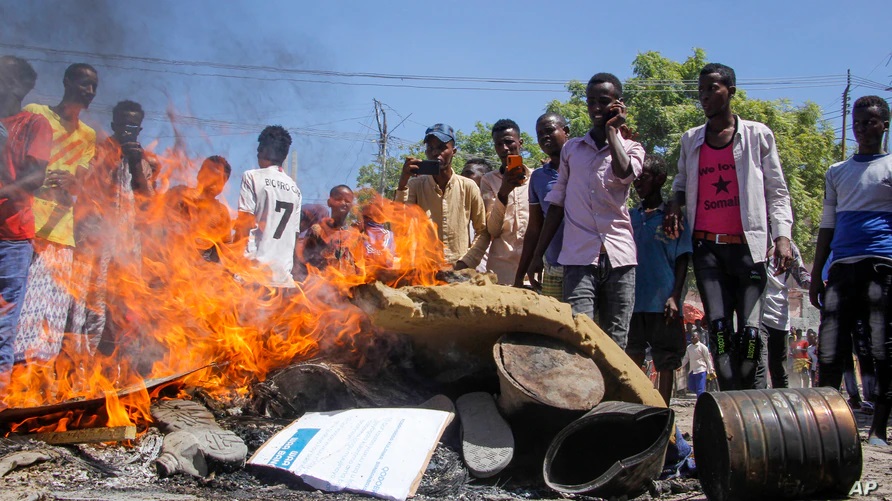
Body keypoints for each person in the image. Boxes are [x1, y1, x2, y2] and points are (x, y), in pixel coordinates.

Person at [664, 63, 794, 391]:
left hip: (749, 249)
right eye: (701, 90)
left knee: (750, 334)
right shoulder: (691, 139)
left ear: (731, 91)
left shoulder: (757, 135)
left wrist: (782, 236)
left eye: (713, 89)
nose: (705, 96)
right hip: (708, 249)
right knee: (720, 331)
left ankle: (750, 400)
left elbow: (777, 190)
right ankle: (728, 404)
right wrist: (676, 203)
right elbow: (681, 179)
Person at [531, 73, 644, 348]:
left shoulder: (633, 148)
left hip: (619, 259)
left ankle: (615, 393)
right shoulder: (572, 149)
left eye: (603, 102)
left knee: (616, 341)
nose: (595, 108)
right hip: (579, 260)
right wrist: (538, 256)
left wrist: (613, 131)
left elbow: (624, 173)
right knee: (580, 336)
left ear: (618, 104)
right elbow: (556, 205)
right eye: (591, 101)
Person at [810, 95, 891, 446]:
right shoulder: (836, 172)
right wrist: (816, 274)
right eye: (857, 122)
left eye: (870, 121)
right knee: (829, 348)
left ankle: (879, 429)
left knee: (882, 347)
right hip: (842, 268)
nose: (862, 128)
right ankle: (823, 428)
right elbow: (827, 224)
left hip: (882, 265)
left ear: (884, 124)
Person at [15, 63, 98, 364]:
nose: (89, 92)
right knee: (19, 308)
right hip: (25, 226)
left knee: (49, 313)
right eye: (84, 84)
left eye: (93, 88)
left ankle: (36, 379)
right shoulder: (37, 113)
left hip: (61, 234)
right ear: (67, 82)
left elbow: (84, 183)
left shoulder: (88, 136)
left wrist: (74, 182)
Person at [67, 100, 159, 353]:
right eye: (123, 125)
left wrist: (137, 162)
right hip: (96, 239)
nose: (128, 131)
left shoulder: (146, 160)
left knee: (123, 305)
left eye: (133, 126)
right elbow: (85, 187)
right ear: (113, 125)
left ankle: (113, 363)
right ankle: (80, 358)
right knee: (90, 302)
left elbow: (150, 200)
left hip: (128, 244)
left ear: (140, 129)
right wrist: (113, 159)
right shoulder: (98, 150)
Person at [0, 56, 51, 395]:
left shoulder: (34, 124)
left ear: (22, 86)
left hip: (12, 235)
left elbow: (35, 177)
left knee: (3, 317)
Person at [626, 155, 692, 405]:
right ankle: (631, 407)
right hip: (634, 302)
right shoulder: (631, 216)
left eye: (643, 177)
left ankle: (664, 413)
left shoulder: (672, 219)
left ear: (660, 179)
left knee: (666, 360)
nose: (637, 183)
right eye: (635, 178)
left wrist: (675, 297)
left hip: (663, 303)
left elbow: (683, 259)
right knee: (631, 356)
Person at [395, 124, 486, 269]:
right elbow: (399, 227)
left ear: (453, 151)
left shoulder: (468, 187)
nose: (436, 153)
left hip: (459, 274)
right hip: (426, 273)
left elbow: (482, 231)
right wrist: (402, 183)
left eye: (442, 147)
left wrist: (466, 262)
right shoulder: (414, 185)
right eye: (430, 148)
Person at [234, 125, 301, 288]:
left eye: (260, 147)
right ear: (284, 155)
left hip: (253, 276)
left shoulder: (252, 177)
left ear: (263, 149)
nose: (257, 151)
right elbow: (295, 236)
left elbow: (244, 222)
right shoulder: (295, 189)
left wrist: (233, 262)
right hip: (283, 280)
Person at [514, 113, 570, 299]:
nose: (544, 137)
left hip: (584, 266)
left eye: (550, 130)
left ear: (566, 132)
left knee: (586, 324)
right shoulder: (538, 177)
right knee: (555, 325)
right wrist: (524, 271)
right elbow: (534, 228)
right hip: (553, 268)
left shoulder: (582, 166)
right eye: (539, 134)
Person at [470, 119, 529, 284]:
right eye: (498, 144)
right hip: (501, 271)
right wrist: (503, 193)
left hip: (531, 270)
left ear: (520, 142)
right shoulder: (488, 181)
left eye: (509, 142)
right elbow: (493, 230)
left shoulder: (535, 178)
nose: (504, 148)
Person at [756, 241, 810, 389]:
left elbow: (802, 276)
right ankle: (758, 405)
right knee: (759, 366)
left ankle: (782, 406)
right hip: (757, 315)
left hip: (780, 315)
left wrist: (817, 284)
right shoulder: (751, 239)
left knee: (779, 368)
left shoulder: (788, 245)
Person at [165, 155, 232, 262]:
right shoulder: (180, 193)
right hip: (174, 260)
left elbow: (226, 245)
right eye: (211, 175)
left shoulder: (222, 211)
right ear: (200, 174)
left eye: (220, 180)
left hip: (203, 267)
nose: (214, 182)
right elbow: (156, 217)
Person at [301, 185, 362, 274]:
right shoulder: (317, 230)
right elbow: (305, 258)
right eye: (338, 199)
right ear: (329, 202)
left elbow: (359, 265)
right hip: (322, 284)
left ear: (351, 205)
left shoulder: (355, 235)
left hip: (348, 285)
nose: (343, 203)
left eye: (347, 201)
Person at [460, 158, 492, 274]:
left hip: (486, 274)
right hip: (457, 274)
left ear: (485, 178)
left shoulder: (492, 209)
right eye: (462, 173)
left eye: (468, 174)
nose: (461, 177)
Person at [681, 332, 715, 398]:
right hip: (692, 370)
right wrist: (680, 366)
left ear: (698, 338)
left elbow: (708, 359)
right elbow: (686, 358)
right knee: (691, 387)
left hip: (701, 370)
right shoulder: (689, 347)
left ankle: (700, 403)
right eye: (691, 337)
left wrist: (711, 370)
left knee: (700, 389)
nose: (692, 338)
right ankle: (703, 397)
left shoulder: (703, 347)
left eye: (694, 337)